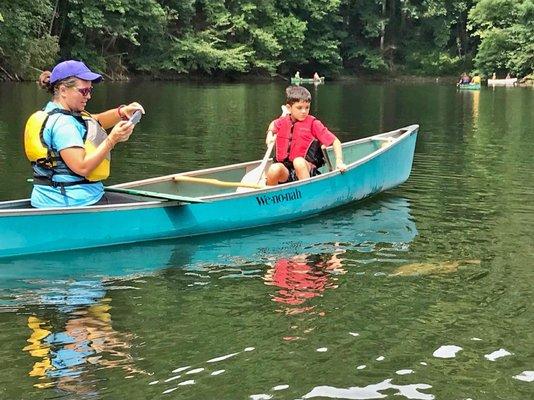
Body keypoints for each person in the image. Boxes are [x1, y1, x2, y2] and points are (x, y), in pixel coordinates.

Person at [25, 60, 144, 208]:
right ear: (63, 90)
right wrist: (112, 140)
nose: (88, 96)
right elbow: (82, 168)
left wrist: (121, 112)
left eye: (90, 90)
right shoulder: (65, 125)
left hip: (46, 199)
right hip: (75, 201)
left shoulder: (54, 113)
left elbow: (97, 120)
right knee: (148, 210)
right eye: (84, 91)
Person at [264, 85, 346, 186]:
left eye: (307, 107)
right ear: (289, 108)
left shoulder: (313, 124)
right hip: (286, 172)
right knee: (274, 168)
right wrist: (270, 134)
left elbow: (335, 141)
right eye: (299, 108)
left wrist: (339, 161)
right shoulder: (282, 122)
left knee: (298, 161)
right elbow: (273, 124)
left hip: (305, 170)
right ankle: (271, 197)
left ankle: (307, 191)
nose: (304, 111)